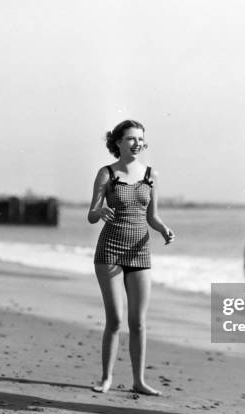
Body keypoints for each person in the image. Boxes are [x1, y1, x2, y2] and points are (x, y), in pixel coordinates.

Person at [88, 120, 175, 395]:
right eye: (130, 139)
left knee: (138, 322)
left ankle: (139, 381)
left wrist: (163, 229)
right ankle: (106, 378)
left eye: (140, 139)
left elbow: (152, 216)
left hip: (140, 251)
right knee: (115, 319)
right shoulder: (107, 173)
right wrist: (100, 212)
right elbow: (91, 214)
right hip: (110, 250)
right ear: (117, 143)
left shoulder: (151, 174)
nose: (137, 144)